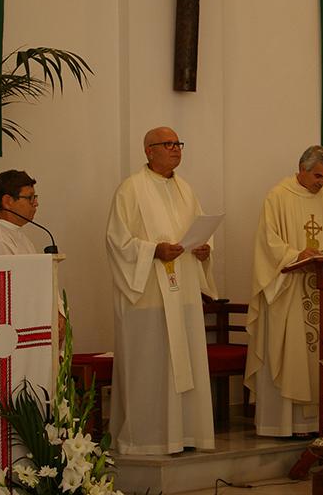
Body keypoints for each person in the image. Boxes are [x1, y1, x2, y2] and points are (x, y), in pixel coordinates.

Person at [105, 126, 216, 455]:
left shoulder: (185, 189)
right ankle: (147, 440)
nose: (175, 149)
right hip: (148, 297)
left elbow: (200, 228)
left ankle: (186, 435)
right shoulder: (130, 190)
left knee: (186, 364)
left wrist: (205, 249)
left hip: (182, 293)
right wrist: (153, 250)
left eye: (178, 143)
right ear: (148, 151)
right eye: (167, 144)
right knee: (151, 367)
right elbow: (116, 241)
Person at [244, 145, 323, 437]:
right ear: (302, 170)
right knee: (292, 350)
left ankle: (320, 423)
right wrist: (295, 254)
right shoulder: (277, 197)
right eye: (318, 176)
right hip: (289, 290)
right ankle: (285, 425)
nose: (321, 183)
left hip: (321, 286)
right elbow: (268, 242)